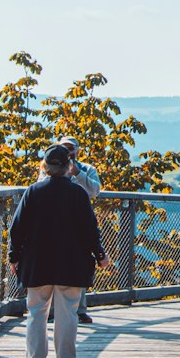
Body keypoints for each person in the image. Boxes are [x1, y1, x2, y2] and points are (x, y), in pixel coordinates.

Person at [9, 144, 106, 358]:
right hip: (70, 264)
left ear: (45, 166)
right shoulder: (78, 194)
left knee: (36, 312)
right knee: (68, 314)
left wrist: (14, 257)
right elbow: (90, 230)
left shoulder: (33, 191)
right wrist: (100, 255)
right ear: (69, 166)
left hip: (37, 263)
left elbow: (17, 227)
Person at [59, 137, 100, 325]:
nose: (68, 152)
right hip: (57, 223)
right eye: (63, 148)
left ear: (77, 150)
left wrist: (77, 174)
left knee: (81, 265)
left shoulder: (88, 169)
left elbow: (94, 191)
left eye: (71, 149)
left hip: (79, 223)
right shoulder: (51, 166)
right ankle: (54, 310)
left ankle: (80, 310)